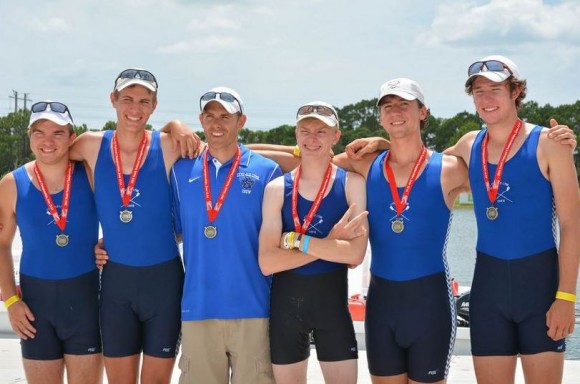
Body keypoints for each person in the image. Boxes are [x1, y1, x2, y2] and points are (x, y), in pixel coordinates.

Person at [444, 55, 580, 384]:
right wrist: (382, 144)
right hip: (488, 292)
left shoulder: (550, 144)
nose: (486, 99)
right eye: (478, 92)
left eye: (495, 89)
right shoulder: (468, 144)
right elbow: (417, 166)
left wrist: (566, 297)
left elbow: (572, 226)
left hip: (541, 291)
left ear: (516, 91)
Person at [70, 69, 198, 384]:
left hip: (164, 282)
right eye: (127, 99)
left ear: (154, 106)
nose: (135, 108)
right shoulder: (89, 145)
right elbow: (47, 159)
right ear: (113, 100)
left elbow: (227, 155)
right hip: (116, 282)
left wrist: (175, 125)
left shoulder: (169, 145)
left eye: (144, 101)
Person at [170, 87, 281, 384]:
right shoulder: (180, 171)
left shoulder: (267, 171)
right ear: (200, 120)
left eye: (225, 116)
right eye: (210, 116)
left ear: (241, 121)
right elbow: (171, 231)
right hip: (198, 308)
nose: (217, 123)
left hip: (254, 309)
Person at [258, 101, 369, 384]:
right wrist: (331, 243)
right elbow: (268, 262)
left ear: (335, 137)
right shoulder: (276, 189)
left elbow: (355, 255)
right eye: (305, 130)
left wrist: (296, 240)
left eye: (321, 131)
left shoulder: (352, 184)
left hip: (332, 310)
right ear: (296, 136)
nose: (312, 138)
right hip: (285, 313)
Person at [0, 101, 103, 384]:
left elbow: (122, 217)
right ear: (29, 137)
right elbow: (0, 245)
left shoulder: (90, 174)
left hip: (85, 304)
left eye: (58, 133)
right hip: (36, 308)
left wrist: (108, 244)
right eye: (39, 132)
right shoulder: (12, 184)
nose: (48, 141)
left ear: (72, 137)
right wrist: (11, 301)